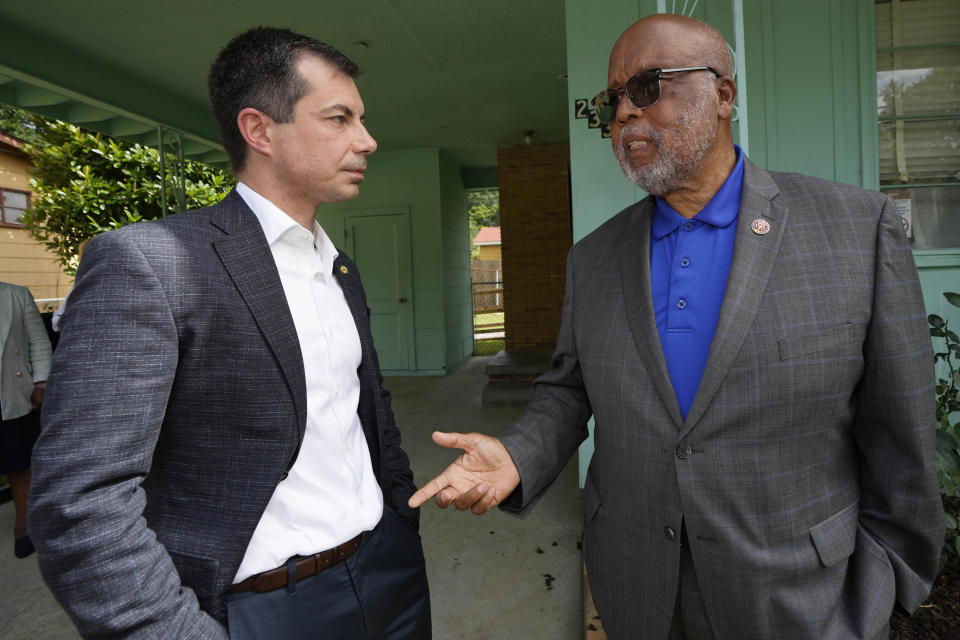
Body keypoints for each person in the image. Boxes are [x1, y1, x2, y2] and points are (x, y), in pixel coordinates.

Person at [409, 14, 943, 640]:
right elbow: (568, 390)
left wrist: (889, 584)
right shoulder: (595, 257)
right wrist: (517, 457)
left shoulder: (852, 227)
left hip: (803, 599)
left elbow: (902, 432)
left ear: (723, 96)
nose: (625, 115)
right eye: (613, 101)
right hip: (639, 589)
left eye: (648, 87)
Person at [30, 27, 430, 639]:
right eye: (339, 118)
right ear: (259, 130)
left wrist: (400, 518)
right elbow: (79, 501)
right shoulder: (151, 262)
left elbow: (366, 412)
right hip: (263, 607)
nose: (367, 140)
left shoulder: (338, 267)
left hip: (389, 572)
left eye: (362, 119)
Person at [0, 281, 51, 558]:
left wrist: (42, 381)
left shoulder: (15, 294)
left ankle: (24, 524)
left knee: (20, 461)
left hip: (11, 392)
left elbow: (38, 341)